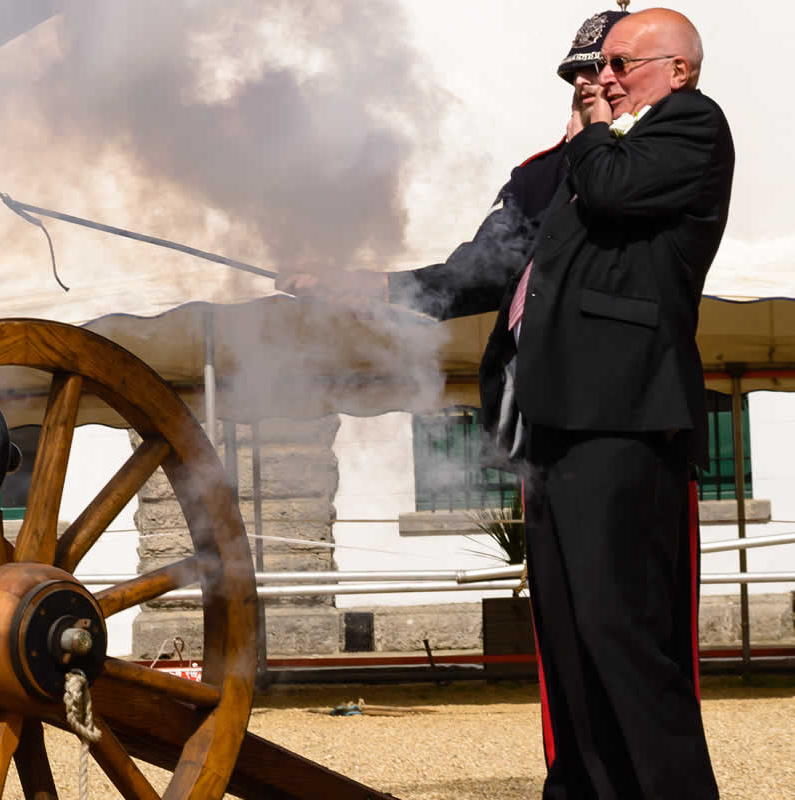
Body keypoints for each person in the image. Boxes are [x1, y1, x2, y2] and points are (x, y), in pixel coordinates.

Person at [280, 8, 731, 798]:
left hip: (625, 417)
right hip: (549, 422)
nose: (599, 81)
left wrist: (592, 131)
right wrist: (369, 287)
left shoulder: (688, 129)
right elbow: (481, 273)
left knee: (628, 637)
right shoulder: (562, 170)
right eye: (585, 72)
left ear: (678, 70)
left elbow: (619, 193)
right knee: (569, 636)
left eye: (617, 65)